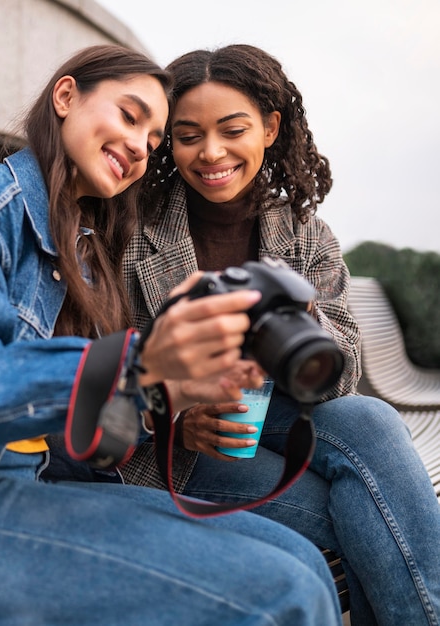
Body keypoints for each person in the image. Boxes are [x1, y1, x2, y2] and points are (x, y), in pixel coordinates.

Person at [0, 45, 342, 626]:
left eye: (156, 139)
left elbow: (90, 446)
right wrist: (136, 363)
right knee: (285, 592)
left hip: (32, 487)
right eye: (129, 115)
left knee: (300, 560)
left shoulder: (84, 250)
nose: (141, 145)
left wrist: (168, 389)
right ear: (65, 98)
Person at [117, 44, 440, 625]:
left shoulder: (303, 233)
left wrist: (300, 317)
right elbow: (103, 364)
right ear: (169, 140)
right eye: (188, 135)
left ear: (268, 128)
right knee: (370, 514)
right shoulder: (132, 233)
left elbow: (341, 375)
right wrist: (174, 416)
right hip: (195, 443)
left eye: (231, 129)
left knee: (373, 420)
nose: (211, 152)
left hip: (293, 411)